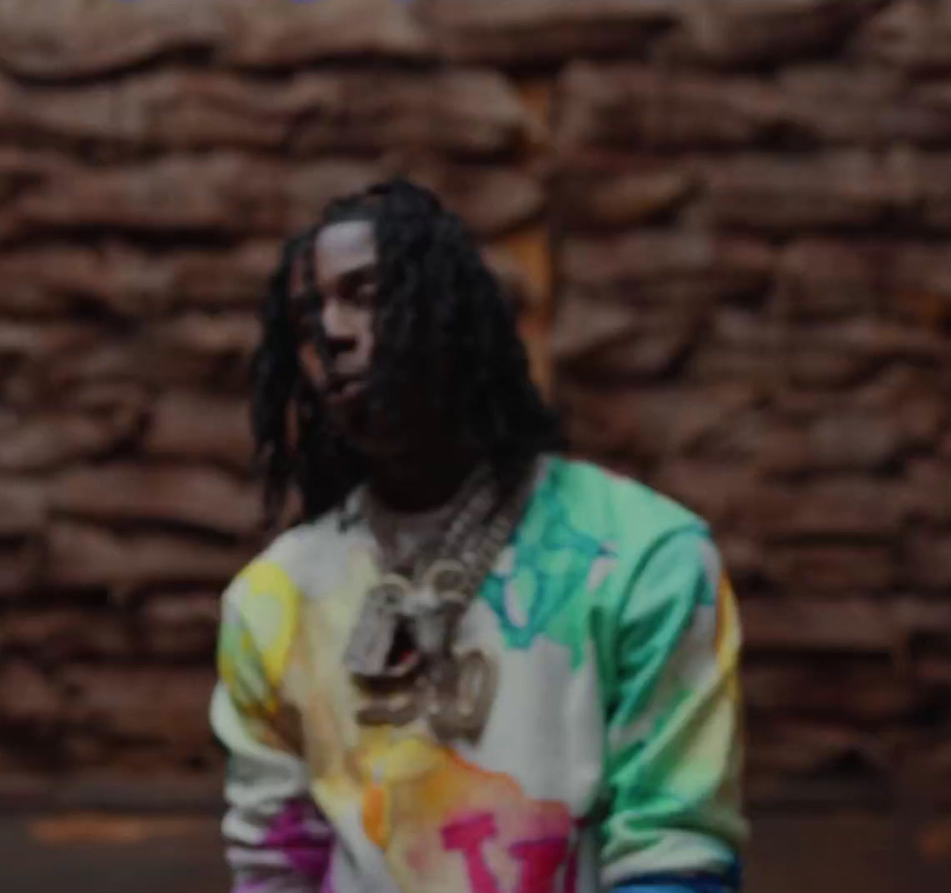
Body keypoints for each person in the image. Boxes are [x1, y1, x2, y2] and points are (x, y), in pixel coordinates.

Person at [210, 179, 747, 893]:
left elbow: (675, 853)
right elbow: (275, 865)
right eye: (309, 320)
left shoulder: (643, 560)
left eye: (367, 293)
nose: (333, 333)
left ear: (450, 315)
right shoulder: (272, 602)